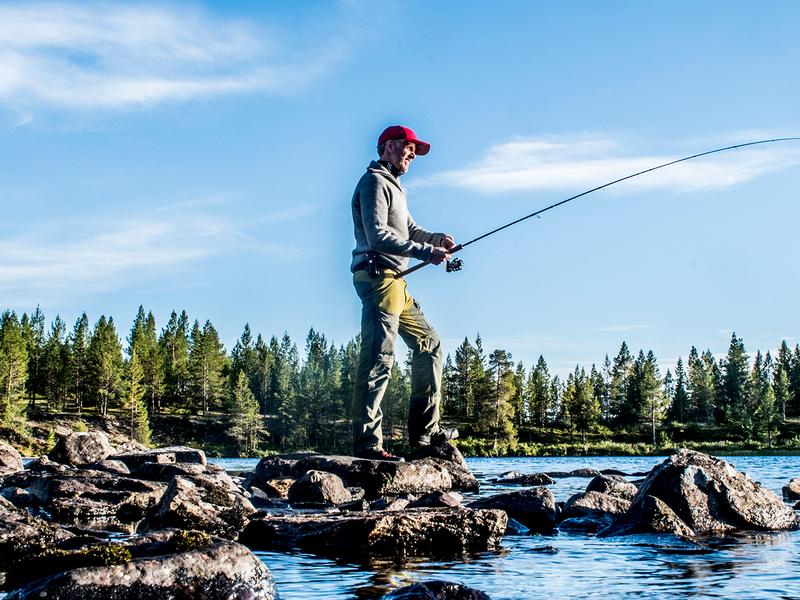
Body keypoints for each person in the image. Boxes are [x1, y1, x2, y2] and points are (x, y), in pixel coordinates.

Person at [350, 124, 458, 461]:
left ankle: (425, 436)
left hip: (397, 280)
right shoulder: (373, 183)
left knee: (431, 345)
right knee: (378, 359)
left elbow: (409, 229)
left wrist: (437, 239)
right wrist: (426, 254)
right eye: (408, 148)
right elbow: (378, 234)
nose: (412, 154)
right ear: (389, 146)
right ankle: (368, 445)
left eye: (414, 150)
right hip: (379, 278)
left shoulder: (396, 187)